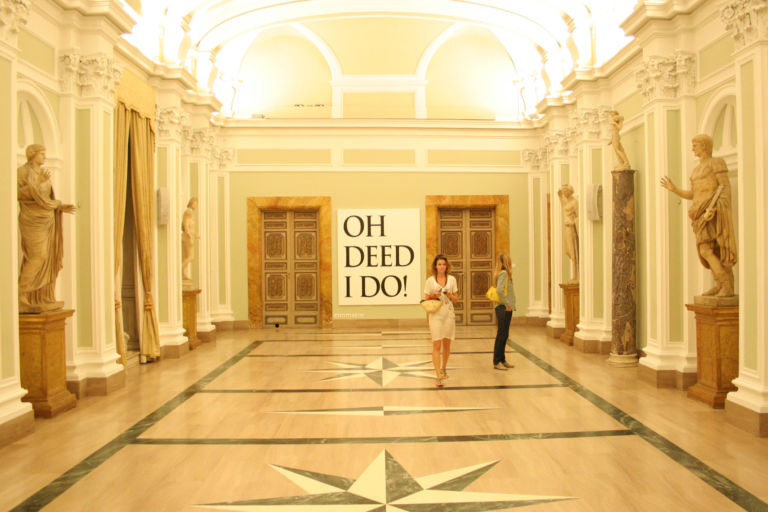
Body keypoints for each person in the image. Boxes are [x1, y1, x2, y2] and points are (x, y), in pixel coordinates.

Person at [660, 134, 737, 296]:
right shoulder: (696, 170)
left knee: (710, 250)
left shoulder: (716, 163)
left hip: (712, 212)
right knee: (708, 250)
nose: (692, 148)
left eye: (695, 145)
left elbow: (724, 187)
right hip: (699, 214)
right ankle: (720, 284)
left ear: (704, 146)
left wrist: (715, 209)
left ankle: (726, 286)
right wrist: (674, 189)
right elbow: (693, 195)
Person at [17, 144, 76, 312]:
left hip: (47, 220)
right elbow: (18, 194)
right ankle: (21, 293)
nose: (44, 156)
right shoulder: (22, 172)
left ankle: (41, 296)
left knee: (46, 258)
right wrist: (37, 184)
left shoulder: (43, 175)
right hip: (32, 220)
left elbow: (45, 199)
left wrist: (58, 206)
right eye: (42, 153)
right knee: (38, 256)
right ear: (33, 154)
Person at [423, 254, 458, 387]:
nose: (441, 267)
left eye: (443, 264)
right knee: (436, 344)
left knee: (447, 344)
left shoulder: (452, 280)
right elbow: (426, 298)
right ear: (435, 266)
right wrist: (434, 295)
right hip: (436, 315)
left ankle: (443, 368)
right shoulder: (430, 281)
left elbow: (456, 299)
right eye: (439, 264)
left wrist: (449, 295)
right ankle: (438, 375)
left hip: (448, 314)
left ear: (446, 266)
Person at [492, 253, 516, 370]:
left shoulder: (503, 274)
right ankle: (497, 361)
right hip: (503, 307)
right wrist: (508, 304)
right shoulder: (504, 273)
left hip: (504, 307)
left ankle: (502, 359)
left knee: (505, 334)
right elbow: (500, 291)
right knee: (501, 335)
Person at [557, 184, 579, 283]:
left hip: (571, 228)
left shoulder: (574, 202)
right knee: (568, 251)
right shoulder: (568, 202)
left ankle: (576, 276)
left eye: (565, 191)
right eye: (563, 191)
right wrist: (560, 198)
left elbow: (578, 216)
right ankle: (574, 276)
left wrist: (573, 222)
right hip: (567, 229)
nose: (564, 193)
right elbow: (564, 208)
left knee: (574, 253)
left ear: (570, 191)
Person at [181, 197, 199, 287]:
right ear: (192, 203)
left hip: (187, 236)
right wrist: (190, 236)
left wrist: (195, 235)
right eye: (195, 203)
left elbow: (189, 227)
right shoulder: (189, 212)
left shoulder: (188, 212)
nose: (196, 205)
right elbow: (185, 225)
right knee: (190, 257)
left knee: (186, 257)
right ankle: (180, 271)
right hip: (187, 237)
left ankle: (183, 274)